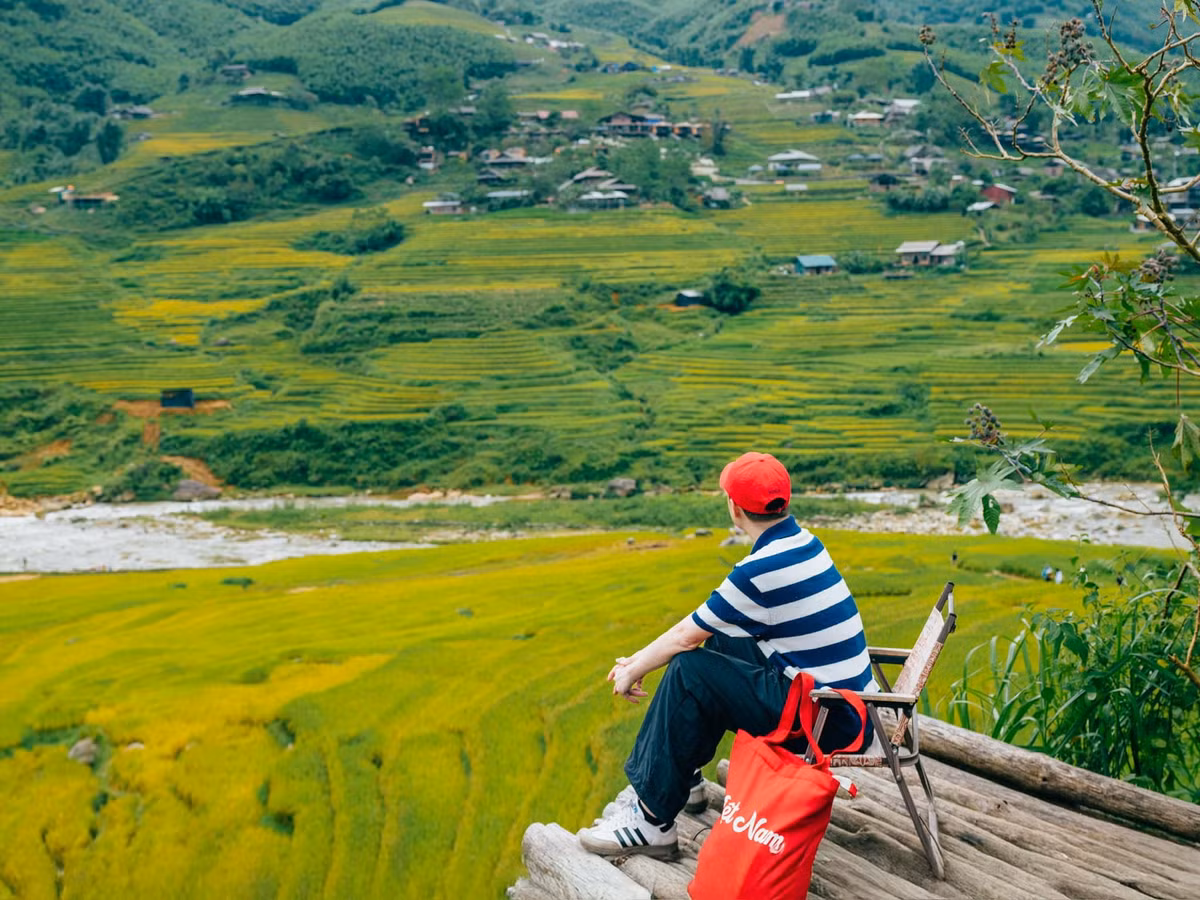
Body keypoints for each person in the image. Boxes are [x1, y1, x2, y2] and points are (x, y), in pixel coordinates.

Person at [578, 451, 877, 859]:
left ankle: (651, 822)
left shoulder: (759, 570)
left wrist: (631, 669)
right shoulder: (803, 541)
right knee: (719, 643)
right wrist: (637, 661)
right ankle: (684, 780)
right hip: (848, 708)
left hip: (828, 723)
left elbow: (685, 637)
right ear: (784, 501)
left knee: (690, 670)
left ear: (734, 508)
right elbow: (705, 625)